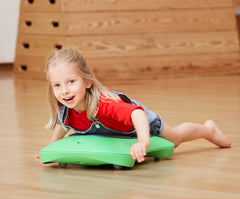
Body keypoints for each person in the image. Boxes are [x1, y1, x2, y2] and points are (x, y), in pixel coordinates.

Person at [35, 48, 231, 164]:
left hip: (136, 122)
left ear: (87, 82)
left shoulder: (105, 105)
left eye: (71, 82)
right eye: (57, 85)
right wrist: (52, 146)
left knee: (176, 139)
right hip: (114, 132)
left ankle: (208, 129)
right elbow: (64, 123)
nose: (64, 91)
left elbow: (137, 114)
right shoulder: (66, 107)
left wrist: (144, 141)